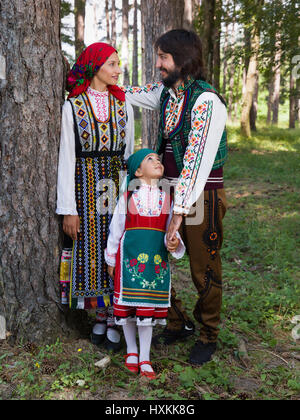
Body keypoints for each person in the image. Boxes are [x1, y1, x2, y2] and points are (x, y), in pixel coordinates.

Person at [124, 29, 228, 365]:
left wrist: (179, 212)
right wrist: (93, 82)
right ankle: (177, 321)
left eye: (163, 57)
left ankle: (208, 334)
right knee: (153, 256)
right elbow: (132, 93)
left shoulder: (206, 101)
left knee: (203, 267)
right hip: (167, 192)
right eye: (157, 56)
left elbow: (195, 164)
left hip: (201, 196)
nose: (157, 64)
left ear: (182, 59)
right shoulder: (169, 93)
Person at [56, 42, 135, 351]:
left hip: (116, 188)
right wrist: (68, 209)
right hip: (84, 189)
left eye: (119, 64)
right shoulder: (72, 106)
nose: (118, 69)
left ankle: (117, 315)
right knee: (93, 250)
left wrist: (130, 196)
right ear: (96, 66)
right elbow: (67, 158)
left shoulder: (123, 104)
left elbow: (128, 154)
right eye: (113, 64)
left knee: (116, 248)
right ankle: (101, 315)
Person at [105, 149, 185, 379]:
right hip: (129, 258)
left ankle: (145, 356)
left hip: (154, 261)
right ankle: (131, 350)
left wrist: (173, 241)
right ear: (138, 171)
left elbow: (171, 228)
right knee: (127, 306)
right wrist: (111, 258)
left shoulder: (166, 198)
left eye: (158, 159)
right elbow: (117, 228)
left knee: (146, 308)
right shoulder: (127, 197)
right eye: (150, 159)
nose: (157, 161)